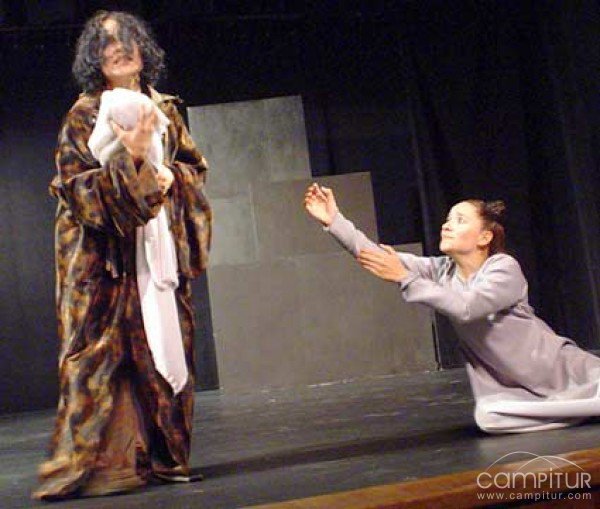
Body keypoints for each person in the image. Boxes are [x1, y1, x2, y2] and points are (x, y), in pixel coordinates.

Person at [33, 11, 211, 500]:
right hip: (102, 262)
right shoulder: (84, 115)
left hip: (156, 253)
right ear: (94, 57)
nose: (119, 47)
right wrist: (132, 159)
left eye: (128, 39)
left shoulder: (165, 109)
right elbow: (76, 189)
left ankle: (165, 459)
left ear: (144, 51)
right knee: (102, 361)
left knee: (162, 351)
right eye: (107, 42)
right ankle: (106, 467)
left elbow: (193, 169)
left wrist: (167, 176)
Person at [304, 183, 600, 434]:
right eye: (447, 219)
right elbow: (376, 256)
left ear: (484, 237)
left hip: (562, 370)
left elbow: (466, 307)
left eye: (459, 220)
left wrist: (405, 277)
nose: (446, 225)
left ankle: (577, 405)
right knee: (490, 418)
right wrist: (334, 220)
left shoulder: (503, 268)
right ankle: (568, 410)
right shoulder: (441, 271)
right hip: (516, 386)